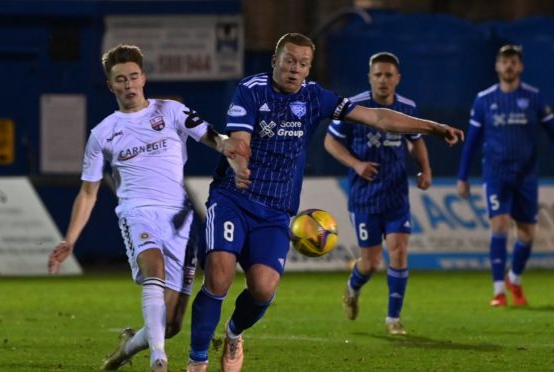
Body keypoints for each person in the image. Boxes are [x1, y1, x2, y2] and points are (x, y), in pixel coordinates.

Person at [186, 33, 463, 372]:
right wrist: (240, 164)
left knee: (262, 287)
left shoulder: (315, 97)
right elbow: (239, 139)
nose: (294, 69)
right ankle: (197, 362)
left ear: (308, 69)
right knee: (219, 275)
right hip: (233, 197)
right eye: (289, 61)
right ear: (275, 60)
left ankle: (233, 334)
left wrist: (432, 127)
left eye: (302, 64)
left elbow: (378, 117)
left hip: (276, 209)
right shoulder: (252, 89)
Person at [46, 44, 248, 372]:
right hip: (137, 212)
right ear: (111, 85)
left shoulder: (170, 111)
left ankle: (129, 347)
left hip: (179, 220)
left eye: (133, 77)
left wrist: (229, 146)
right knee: (153, 268)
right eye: (120, 79)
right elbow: (87, 193)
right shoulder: (103, 134)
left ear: (144, 78)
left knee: (172, 324)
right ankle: (159, 359)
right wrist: (70, 239)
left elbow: (213, 138)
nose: (128, 85)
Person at [456, 44, 554, 307]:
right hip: (496, 173)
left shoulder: (534, 97)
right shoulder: (484, 99)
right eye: (504, 61)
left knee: (527, 233)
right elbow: (472, 141)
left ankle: (514, 280)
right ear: (497, 66)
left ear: (520, 67)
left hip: (526, 175)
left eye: (513, 62)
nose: (509, 66)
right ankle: (499, 291)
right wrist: (462, 175)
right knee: (499, 225)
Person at [324, 52, 431, 335]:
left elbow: (416, 141)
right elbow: (330, 142)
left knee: (399, 252)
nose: (383, 80)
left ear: (397, 79)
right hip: (364, 197)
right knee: (371, 263)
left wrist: (425, 170)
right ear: (370, 77)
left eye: (388, 75)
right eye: (378, 75)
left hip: (396, 194)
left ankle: (392, 319)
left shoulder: (407, 107)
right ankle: (352, 287)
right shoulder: (355, 107)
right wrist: (356, 164)